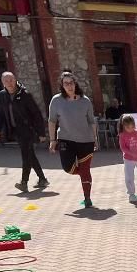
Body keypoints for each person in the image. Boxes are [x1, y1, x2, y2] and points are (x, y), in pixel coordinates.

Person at [48, 71, 98, 208]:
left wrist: (95, 139)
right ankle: (83, 174)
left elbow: (91, 121)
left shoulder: (85, 101)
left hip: (86, 140)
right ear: (62, 85)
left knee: (85, 170)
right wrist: (52, 140)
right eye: (66, 83)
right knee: (67, 168)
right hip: (65, 140)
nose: (69, 86)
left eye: (71, 83)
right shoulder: (56, 101)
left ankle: (87, 198)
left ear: (75, 84)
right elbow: (52, 121)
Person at [0, 71, 49, 192]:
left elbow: (37, 114)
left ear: (15, 80)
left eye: (11, 80)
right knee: (30, 154)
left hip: (27, 129)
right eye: (6, 81)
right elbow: (0, 113)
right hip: (15, 130)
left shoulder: (25, 94)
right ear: (3, 82)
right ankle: (42, 179)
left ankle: (24, 182)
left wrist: (41, 133)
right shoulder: (2, 95)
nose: (9, 83)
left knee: (26, 155)